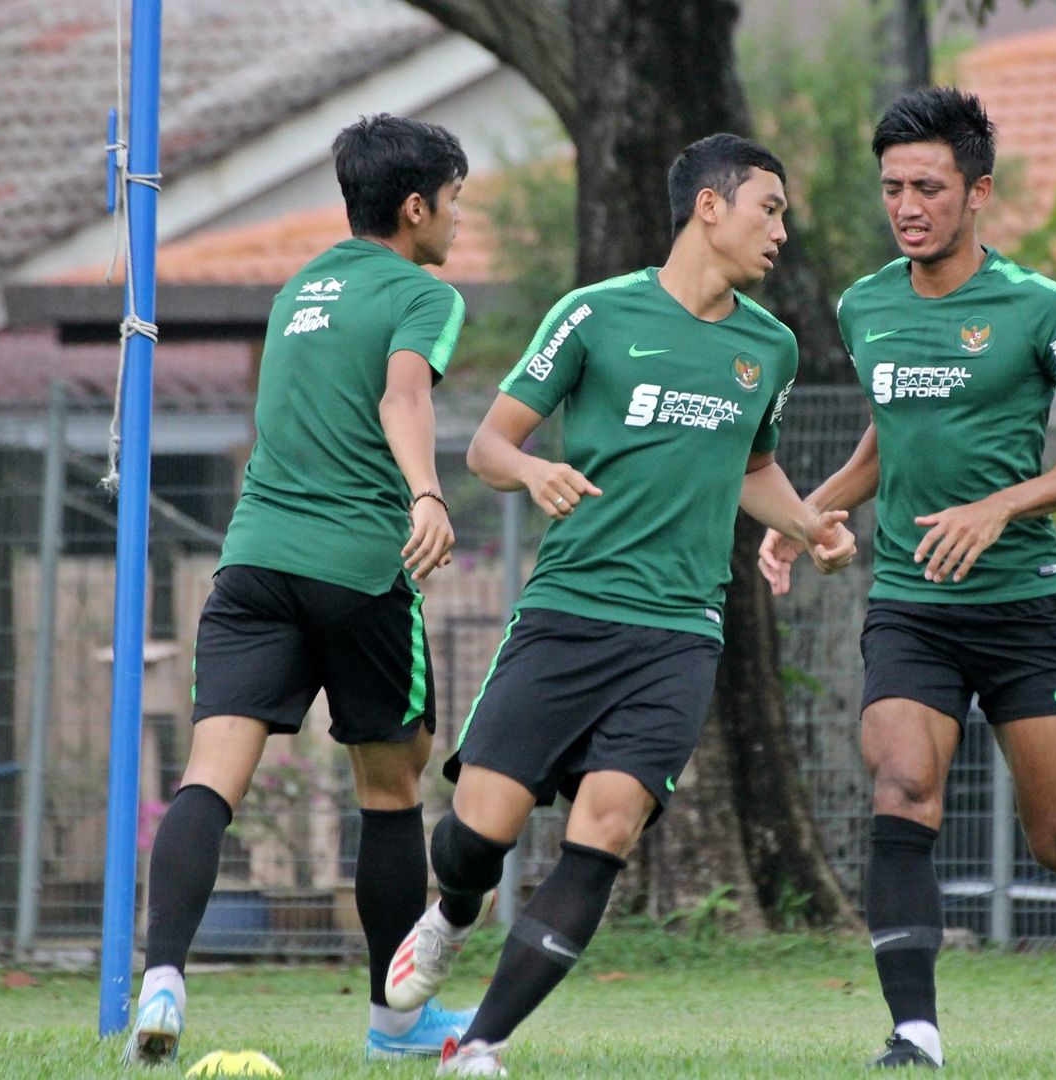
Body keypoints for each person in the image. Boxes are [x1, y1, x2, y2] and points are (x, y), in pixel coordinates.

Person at [756, 87, 1056, 1070]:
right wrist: (811, 514)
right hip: (913, 605)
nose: (908, 205)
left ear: (979, 193)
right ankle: (914, 1032)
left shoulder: (1038, 308)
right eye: (893, 188)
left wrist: (1003, 504)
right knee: (903, 785)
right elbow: (897, 427)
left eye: (929, 186)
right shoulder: (866, 304)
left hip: (1023, 607)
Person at [378, 132, 854, 1078]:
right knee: (477, 832)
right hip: (567, 612)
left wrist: (806, 523)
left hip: (680, 634)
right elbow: (488, 447)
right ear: (709, 208)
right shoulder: (593, 314)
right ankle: (453, 913)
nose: (782, 231)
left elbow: (749, 465)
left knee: (607, 827)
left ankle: (479, 1045)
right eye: (770, 208)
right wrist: (537, 469)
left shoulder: (770, 346)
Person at [126, 113, 473, 1066]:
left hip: (252, 568)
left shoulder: (297, 290)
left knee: (208, 780)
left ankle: (162, 979)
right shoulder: (421, 293)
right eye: (455, 202)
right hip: (359, 570)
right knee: (393, 788)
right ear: (415, 206)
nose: (458, 221)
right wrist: (427, 491)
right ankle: (395, 1023)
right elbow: (403, 397)